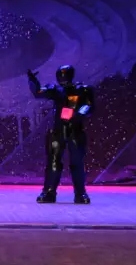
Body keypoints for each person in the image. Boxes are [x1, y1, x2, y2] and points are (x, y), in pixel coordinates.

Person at [27, 65, 95, 204]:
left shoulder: (82, 89)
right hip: (58, 131)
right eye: (60, 75)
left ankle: (80, 193)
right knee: (53, 163)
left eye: (64, 75)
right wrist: (33, 81)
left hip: (75, 130)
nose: (62, 78)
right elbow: (38, 93)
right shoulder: (55, 89)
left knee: (77, 162)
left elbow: (89, 105)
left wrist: (79, 114)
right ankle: (49, 192)